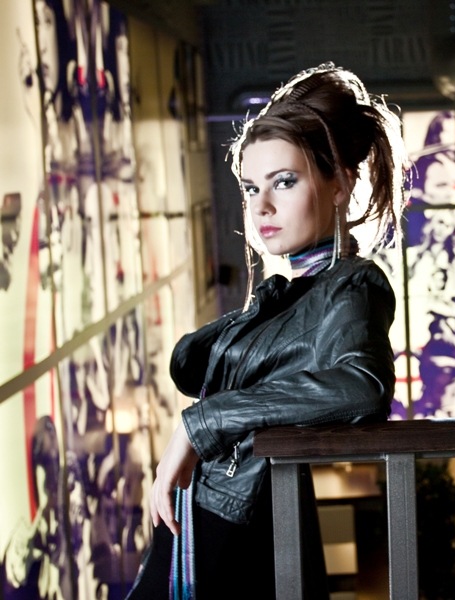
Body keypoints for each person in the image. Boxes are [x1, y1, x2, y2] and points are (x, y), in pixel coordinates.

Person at [125, 62, 409, 599]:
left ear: (340, 183)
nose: (262, 207)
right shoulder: (288, 294)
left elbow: (362, 386)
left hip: (231, 521)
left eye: (284, 181)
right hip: (199, 512)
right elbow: (190, 368)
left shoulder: (351, 284)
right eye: (251, 187)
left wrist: (202, 423)